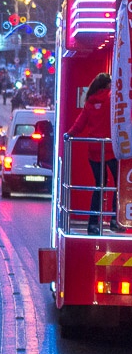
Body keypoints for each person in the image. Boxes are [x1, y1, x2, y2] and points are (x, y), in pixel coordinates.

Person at [66, 73, 119, 234]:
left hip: (95, 150)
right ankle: (115, 220)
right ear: (108, 85)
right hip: (111, 149)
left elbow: (79, 124)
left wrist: (69, 134)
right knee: (119, 186)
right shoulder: (112, 99)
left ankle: (93, 223)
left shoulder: (90, 101)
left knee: (99, 186)